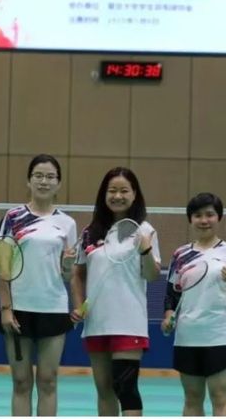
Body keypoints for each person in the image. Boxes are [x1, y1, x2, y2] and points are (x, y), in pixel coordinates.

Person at [70, 167, 161, 416]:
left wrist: (145, 251)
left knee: (125, 387)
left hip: (128, 322)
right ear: (104, 194)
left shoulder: (144, 230)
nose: (117, 196)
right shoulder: (90, 232)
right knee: (104, 390)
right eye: (112, 190)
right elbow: (78, 274)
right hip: (97, 322)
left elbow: (152, 275)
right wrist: (78, 305)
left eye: (124, 191)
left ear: (134, 194)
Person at [0, 154, 78, 416]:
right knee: (21, 382)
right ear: (29, 181)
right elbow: (1, 266)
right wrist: (6, 308)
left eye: (50, 177)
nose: (44, 181)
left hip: (53, 307)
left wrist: (68, 265)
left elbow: (67, 275)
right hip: (18, 308)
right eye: (39, 176)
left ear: (58, 183)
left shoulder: (67, 223)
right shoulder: (13, 217)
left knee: (48, 381)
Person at [162, 192, 226, 416]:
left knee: (220, 397)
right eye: (198, 215)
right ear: (190, 219)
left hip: (220, 334)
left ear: (218, 218)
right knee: (192, 398)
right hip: (188, 335)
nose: (204, 220)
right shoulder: (180, 254)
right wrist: (168, 316)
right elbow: (172, 293)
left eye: (210, 215)